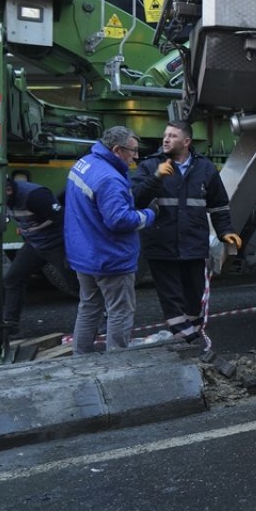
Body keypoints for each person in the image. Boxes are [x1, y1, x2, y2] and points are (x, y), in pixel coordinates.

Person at [132, 120, 241, 345]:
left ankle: (192, 334)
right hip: (162, 244)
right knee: (171, 297)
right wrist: (156, 178)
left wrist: (225, 231)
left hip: (193, 243)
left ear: (187, 141)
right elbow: (135, 199)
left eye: (172, 135)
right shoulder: (150, 166)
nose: (166, 139)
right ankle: (189, 341)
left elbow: (219, 204)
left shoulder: (205, 168)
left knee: (194, 294)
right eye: (165, 135)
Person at [63, 126, 155, 354]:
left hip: (85, 255)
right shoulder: (109, 179)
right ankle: (117, 364)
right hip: (110, 258)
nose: (136, 156)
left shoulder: (85, 163)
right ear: (116, 150)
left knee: (89, 307)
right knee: (120, 311)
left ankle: (80, 357)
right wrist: (149, 215)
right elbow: (119, 221)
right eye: (132, 151)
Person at [1, 178, 76, 340]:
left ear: (8, 190)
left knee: (75, 283)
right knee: (13, 279)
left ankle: (102, 317)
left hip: (57, 243)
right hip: (35, 244)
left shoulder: (35, 195)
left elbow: (61, 218)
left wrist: (30, 229)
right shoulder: (4, 197)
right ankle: (11, 326)